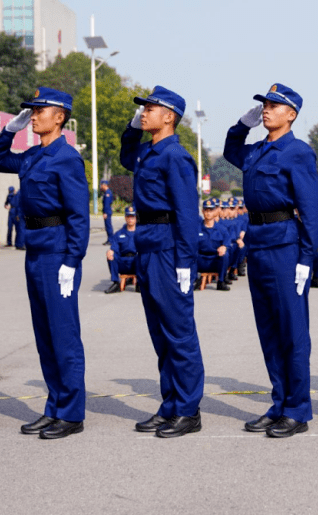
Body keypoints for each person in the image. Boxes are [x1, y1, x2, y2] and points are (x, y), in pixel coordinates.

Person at [0, 87, 89, 440]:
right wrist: (9, 129)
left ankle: (71, 413)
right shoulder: (33, 155)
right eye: (30, 111)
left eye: (38, 111)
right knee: (45, 336)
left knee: (63, 335)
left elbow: (78, 214)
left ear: (59, 116)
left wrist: (72, 260)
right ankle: (54, 408)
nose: (33, 116)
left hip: (57, 252)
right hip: (34, 250)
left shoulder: (67, 157)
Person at [224, 83, 318, 438]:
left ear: (291, 114)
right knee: (269, 330)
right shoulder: (256, 151)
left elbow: (311, 208)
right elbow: (230, 150)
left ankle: (297, 409)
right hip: (259, 243)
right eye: (263, 105)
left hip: (285, 245)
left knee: (292, 332)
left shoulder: (297, 151)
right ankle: (279, 402)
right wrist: (241, 124)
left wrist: (307, 257)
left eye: (273, 106)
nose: (265, 110)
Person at [120, 86, 205, 438]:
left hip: (170, 250)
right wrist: (132, 124)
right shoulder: (147, 152)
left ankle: (188, 410)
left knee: (179, 332)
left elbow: (187, 213)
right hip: (148, 245)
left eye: (150, 109)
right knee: (160, 334)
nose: (144, 113)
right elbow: (126, 153)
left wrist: (186, 261)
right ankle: (169, 404)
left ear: (169, 116)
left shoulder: (176, 156)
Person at [198, 199, 232, 291]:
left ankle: (221, 282)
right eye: (206, 210)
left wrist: (224, 246)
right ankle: (194, 279)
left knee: (225, 255)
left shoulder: (222, 229)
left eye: (211, 210)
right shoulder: (196, 228)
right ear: (202, 211)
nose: (208, 213)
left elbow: (227, 241)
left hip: (214, 261)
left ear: (215, 211)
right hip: (200, 260)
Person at [105, 206, 139, 294]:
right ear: (125, 218)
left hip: (136, 263)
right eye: (128, 216)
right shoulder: (119, 234)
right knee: (111, 255)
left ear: (136, 218)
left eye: (132, 216)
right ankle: (116, 283)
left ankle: (140, 283)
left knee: (142, 256)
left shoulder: (140, 233)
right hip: (123, 262)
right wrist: (111, 252)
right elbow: (114, 248)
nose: (130, 219)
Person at [100, 180, 114, 245]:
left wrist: (105, 212)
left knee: (108, 226)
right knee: (107, 226)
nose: (101, 186)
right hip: (107, 211)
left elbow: (107, 204)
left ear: (104, 185)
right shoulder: (106, 192)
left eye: (101, 185)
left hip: (107, 212)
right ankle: (109, 239)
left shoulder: (108, 193)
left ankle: (111, 240)